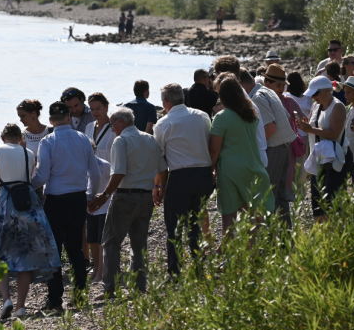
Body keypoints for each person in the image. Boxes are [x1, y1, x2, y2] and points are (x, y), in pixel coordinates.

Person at [0, 123, 61, 319]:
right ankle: (20, 307)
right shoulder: (29, 154)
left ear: (2, 138)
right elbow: (30, 178)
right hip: (27, 203)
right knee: (24, 256)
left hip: (7, 203)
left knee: (2, 254)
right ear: (20, 138)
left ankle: (6, 299)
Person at [87, 107, 165, 296]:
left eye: (112, 124)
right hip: (146, 196)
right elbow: (163, 168)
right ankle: (139, 286)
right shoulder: (150, 138)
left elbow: (119, 172)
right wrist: (159, 188)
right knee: (139, 244)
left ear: (121, 122)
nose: (111, 128)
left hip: (125, 196)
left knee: (111, 242)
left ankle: (110, 287)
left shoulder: (121, 141)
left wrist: (104, 195)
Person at [32, 101, 101, 311]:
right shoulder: (82, 139)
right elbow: (95, 173)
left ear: (51, 121)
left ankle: (55, 298)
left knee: (54, 250)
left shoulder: (48, 141)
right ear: (69, 118)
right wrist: (90, 196)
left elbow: (42, 176)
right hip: (78, 198)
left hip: (56, 201)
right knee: (76, 249)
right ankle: (80, 295)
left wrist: (27, 185)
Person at [153, 83, 213, 276]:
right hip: (203, 174)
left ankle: (175, 271)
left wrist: (159, 186)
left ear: (165, 101)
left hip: (180, 176)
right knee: (195, 224)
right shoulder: (202, 116)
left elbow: (159, 159)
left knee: (174, 226)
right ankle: (198, 268)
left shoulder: (163, 124)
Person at [211, 74, 274, 243]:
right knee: (252, 212)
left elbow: (215, 150)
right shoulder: (251, 114)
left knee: (229, 214)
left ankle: (229, 252)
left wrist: (211, 169)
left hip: (230, 170)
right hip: (253, 165)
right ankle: (253, 251)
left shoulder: (222, 117)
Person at [297, 76, 348, 223]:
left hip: (335, 158)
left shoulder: (338, 106)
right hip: (318, 158)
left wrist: (310, 128)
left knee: (332, 203)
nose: (313, 97)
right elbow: (312, 131)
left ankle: (335, 236)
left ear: (327, 91)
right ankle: (322, 236)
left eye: (315, 94)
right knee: (317, 202)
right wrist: (304, 127)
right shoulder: (315, 106)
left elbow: (334, 133)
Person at [257, 65, 298, 226]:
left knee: (270, 195)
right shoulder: (272, 97)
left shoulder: (264, 96)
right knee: (279, 195)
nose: (282, 89)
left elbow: (271, 128)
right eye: (278, 85)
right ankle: (285, 236)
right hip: (283, 147)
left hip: (275, 148)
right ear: (267, 82)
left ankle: (273, 236)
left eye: (283, 86)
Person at [83, 93, 114, 283]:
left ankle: (103, 269)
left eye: (98, 108)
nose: (95, 112)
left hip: (109, 179)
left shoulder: (114, 127)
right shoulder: (88, 127)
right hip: (90, 180)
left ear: (106, 107)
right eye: (92, 109)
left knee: (104, 231)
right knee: (91, 233)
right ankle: (96, 267)